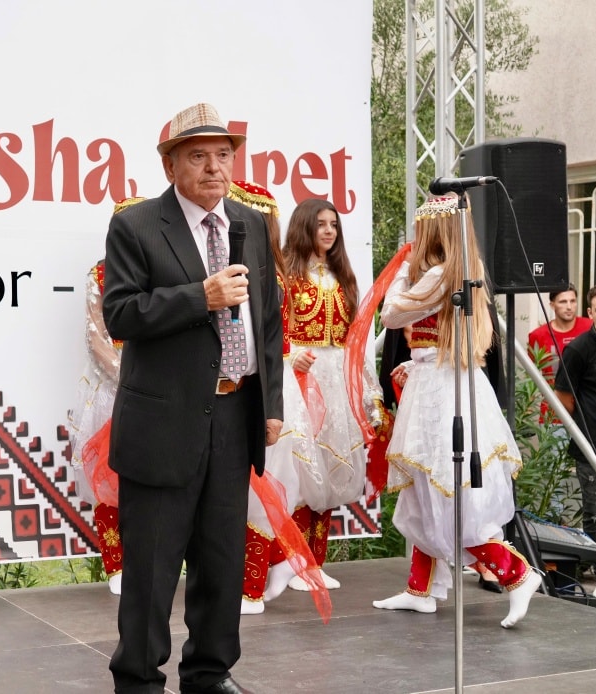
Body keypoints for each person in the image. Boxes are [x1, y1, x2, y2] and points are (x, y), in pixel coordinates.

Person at [102, 103, 284, 694]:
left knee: (222, 554)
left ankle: (209, 671)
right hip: (164, 418)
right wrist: (199, 296)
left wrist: (272, 405)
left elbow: (270, 322)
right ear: (171, 164)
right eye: (199, 156)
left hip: (235, 411)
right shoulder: (136, 225)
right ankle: (138, 678)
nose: (214, 168)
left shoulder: (250, 224)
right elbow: (121, 314)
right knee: (153, 566)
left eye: (224, 155)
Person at [371, 193, 541, 628]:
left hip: (442, 395)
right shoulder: (461, 275)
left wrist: (398, 273)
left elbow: (390, 315)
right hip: (443, 382)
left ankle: (517, 574)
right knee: (428, 489)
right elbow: (431, 338)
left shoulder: (436, 275)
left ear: (431, 231)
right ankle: (421, 588)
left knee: (446, 490)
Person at [230, 182, 327, 617]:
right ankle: (263, 574)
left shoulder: (265, 273)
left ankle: (251, 586)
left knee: (262, 483)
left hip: (268, 385)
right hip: (269, 381)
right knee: (260, 482)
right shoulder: (276, 271)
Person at [281, 197, 385, 592]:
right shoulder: (287, 276)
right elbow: (272, 332)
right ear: (304, 226)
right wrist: (291, 358)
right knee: (302, 468)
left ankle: (316, 562)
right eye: (321, 224)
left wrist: (367, 392)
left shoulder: (344, 277)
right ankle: (293, 563)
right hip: (303, 382)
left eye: (334, 225)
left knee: (329, 467)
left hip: (338, 381)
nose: (328, 231)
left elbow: (355, 341)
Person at [68, 198, 145, 596]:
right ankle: (115, 565)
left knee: (152, 481)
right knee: (107, 481)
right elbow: (96, 338)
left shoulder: (163, 273)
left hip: (157, 391)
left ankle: (149, 564)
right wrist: (128, 376)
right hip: (112, 388)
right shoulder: (98, 274)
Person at [554, 282, 596, 599]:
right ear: (591, 313)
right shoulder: (579, 349)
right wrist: (586, 433)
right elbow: (563, 400)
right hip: (593, 448)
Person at [527, 283, 592, 422]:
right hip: (553, 415)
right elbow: (531, 375)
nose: (569, 306)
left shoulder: (589, 327)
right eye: (563, 301)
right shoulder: (538, 336)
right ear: (552, 305)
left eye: (573, 301)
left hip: (588, 412)